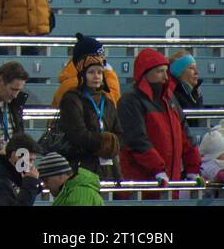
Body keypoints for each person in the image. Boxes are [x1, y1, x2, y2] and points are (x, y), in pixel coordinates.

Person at [119, 49, 204, 188]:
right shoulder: (130, 100)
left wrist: (193, 167)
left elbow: (186, 135)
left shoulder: (169, 98)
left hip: (169, 182)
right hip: (143, 184)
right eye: (160, 71)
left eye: (166, 71)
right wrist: (158, 169)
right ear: (145, 73)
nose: (166, 77)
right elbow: (137, 140)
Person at [57, 50, 123, 182]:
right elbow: (77, 134)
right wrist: (103, 142)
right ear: (82, 75)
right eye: (91, 72)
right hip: (80, 165)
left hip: (108, 168)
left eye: (99, 72)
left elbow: (119, 132)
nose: (96, 76)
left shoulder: (108, 102)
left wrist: (112, 145)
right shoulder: (71, 99)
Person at [50, 33, 122, 108]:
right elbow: (111, 103)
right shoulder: (73, 85)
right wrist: (110, 73)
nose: (102, 63)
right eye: (100, 59)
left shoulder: (70, 80)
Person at [0, 133, 42, 206]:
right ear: (15, 156)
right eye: (30, 160)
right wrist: (30, 184)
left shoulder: (8, 179)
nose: (31, 165)